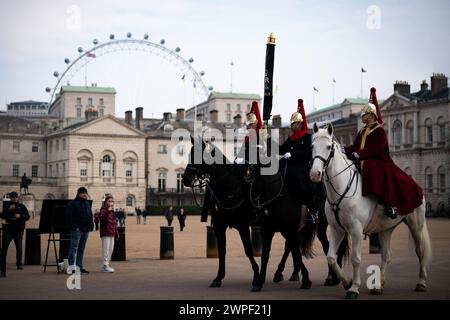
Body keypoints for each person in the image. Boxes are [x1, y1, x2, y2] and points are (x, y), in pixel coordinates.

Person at [344, 87, 423, 219]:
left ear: (371, 115)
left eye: (364, 114)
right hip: (364, 158)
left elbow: (377, 148)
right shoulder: (363, 131)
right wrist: (344, 150)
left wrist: (359, 154)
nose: (362, 116)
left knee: (373, 168)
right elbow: (355, 145)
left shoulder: (379, 130)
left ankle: (389, 204)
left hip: (378, 159)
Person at [279, 99, 320, 225]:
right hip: (289, 166)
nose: (292, 126)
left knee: (300, 181)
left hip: (301, 167)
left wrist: (292, 155)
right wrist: (268, 141)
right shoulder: (291, 138)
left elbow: (308, 153)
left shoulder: (307, 137)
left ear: (300, 124)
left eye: (294, 123)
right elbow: (281, 149)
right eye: (291, 124)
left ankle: (313, 212)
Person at [0, 191, 30, 276]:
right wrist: (9, 209)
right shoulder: (7, 206)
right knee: (4, 248)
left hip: (18, 230)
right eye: (12, 197)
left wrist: (20, 216)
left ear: (17, 198)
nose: (14, 199)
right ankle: (2, 264)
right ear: (11, 198)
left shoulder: (21, 206)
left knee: (19, 248)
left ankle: (19, 263)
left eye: (15, 197)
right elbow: (2, 215)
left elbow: (27, 216)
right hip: (8, 230)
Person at [65, 187, 94, 274]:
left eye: (85, 192)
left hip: (86, 229)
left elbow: (90, 215)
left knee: (81, 249)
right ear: (78, 194)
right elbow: (68, 216)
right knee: (73, 248)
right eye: (82, 193)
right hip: (77, 230)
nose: (84, 194)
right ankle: (71, 267)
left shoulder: (87, 204)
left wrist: (91, 225)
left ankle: (79, 267)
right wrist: (75, 227)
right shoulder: (73, 203)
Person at [98, 195, 119, 272]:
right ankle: (105, 265)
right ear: (105, 202)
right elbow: (102, 218)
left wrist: (116, 233)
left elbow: (114, 223)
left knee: (111, 248)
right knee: (106, 249)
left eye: (112, 201)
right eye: (109, 201)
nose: (110, 203)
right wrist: (108, 211)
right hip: (106, 232)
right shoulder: (103, 209)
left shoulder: (112, 211)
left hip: (112, 232)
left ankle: (107, 264)